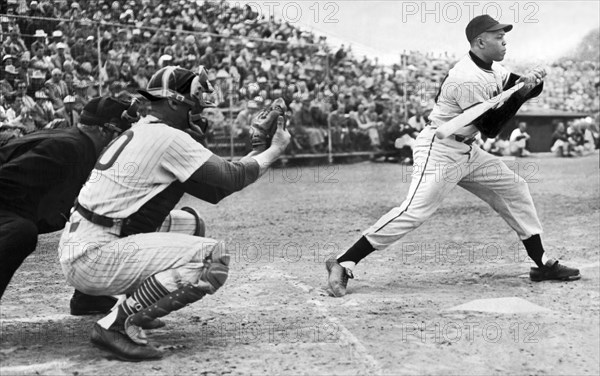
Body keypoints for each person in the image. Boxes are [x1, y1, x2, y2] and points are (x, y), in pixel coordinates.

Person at [325, 15, 580, 297]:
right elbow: (492, 127)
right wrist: (521, 95)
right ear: (480, 42)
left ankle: (542, 263)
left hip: (468, 149)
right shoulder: (465, 77)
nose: (504, 40)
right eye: (498, 36)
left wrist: (532, 84)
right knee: (414, 211)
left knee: (515, 188)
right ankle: (343, 261)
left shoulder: (493, 69)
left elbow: (519, 87)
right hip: (441, 150)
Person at [57, 66, 291, 361]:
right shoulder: (168, 137)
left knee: (192, 225)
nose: (197, 108)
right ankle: (115, 325)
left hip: (86, 240)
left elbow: (217, 188)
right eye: (192, 99)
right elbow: (233, 177)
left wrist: (258, 145)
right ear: (172, 102)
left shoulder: (146, 128)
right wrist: (275, 149)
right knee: (213, 258)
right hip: (94, 255)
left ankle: (109, 302)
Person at [0, 95, 139, 315]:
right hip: (6, 204)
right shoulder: (69, 148)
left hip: (14, 203)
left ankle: (90, 296)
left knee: (103, 215)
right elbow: (7, 177)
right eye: (118, 136)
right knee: (20, 232)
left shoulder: (77, 143)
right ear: (104, 131)